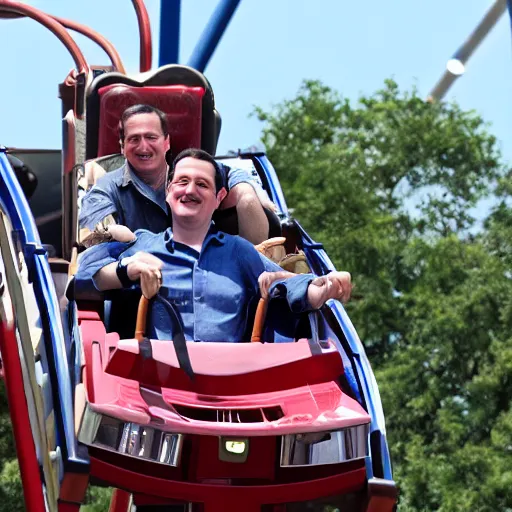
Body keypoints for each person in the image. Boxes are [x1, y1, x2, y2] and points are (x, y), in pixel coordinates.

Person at [75, 148, 352, 342]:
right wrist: (127, 270)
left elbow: (286, 283)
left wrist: (319, 288)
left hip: (229, 391)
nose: (190, 190)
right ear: (169, 192)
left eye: (202, 185)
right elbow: (82, 278)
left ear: (219, 197)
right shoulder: (144, 244)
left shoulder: (238, 251)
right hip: (160, 390)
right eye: (182, 182)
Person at [78, 104, 273, 244]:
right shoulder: (106, 185)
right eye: (134, 139)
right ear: (122, 147)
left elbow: (232, 173)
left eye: (151, 137)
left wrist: (247, 190)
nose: (143, 146)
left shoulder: (190, 171)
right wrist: (116, 235)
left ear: (166, 143)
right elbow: (90, 234)